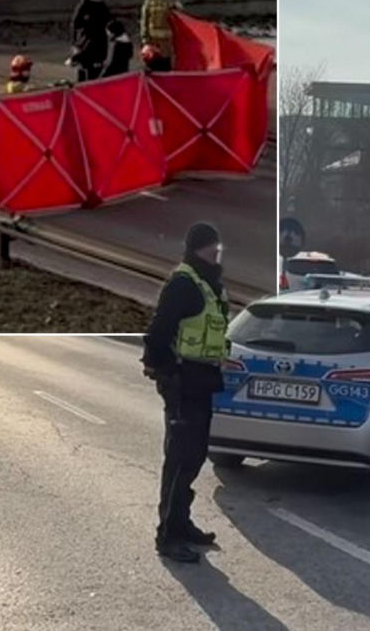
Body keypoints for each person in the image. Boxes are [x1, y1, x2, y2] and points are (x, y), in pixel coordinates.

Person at [143, 222, 229, 563]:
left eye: (217, 245)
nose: (216, 250)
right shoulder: (184, 284)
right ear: (198, 248)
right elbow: (158, 333)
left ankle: (182, 523)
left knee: (194, 456)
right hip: (183, 382)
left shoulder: (209, 283)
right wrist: (167, 374)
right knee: (179, 459)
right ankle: (168, 535)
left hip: (203, 380)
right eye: (211, 246)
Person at [70, 0, 110, 82]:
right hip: (85, 42)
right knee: (83, 69)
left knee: (96, 70)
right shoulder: (84, 6)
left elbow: (109, 22)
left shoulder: (102, 6)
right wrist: (74, 42)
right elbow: (75, 24)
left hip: (100, 43)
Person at [140, 0, 179, 69]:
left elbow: (144, 22)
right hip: (160, 41)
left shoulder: (149, 2)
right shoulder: (168, 1)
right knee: (160, 64)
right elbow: (144, 21)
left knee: (158, 65)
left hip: (159, 40)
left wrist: (145, 40)